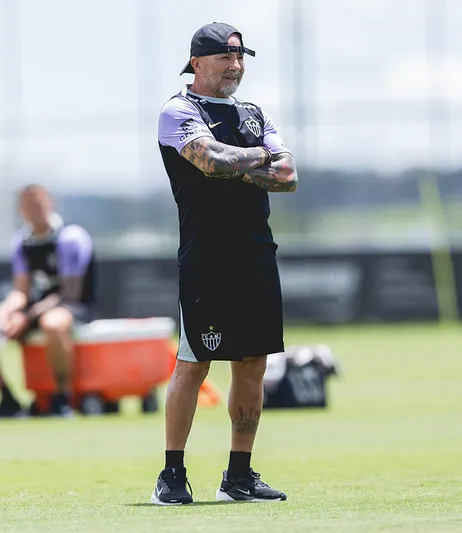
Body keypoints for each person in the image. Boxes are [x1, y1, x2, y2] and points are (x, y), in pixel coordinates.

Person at [151, 22, 298, 505]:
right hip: (206, 259)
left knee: (252, 363)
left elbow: (288, 175)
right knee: (195, 363)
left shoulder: (253, 113)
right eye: (225, 57)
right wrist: (257, 158)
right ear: (197, 62)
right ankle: (172, 475)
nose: (235, 66)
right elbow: (208, 160)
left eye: (240, 58)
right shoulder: (179, 111)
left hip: (256, 253)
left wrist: (246, 163)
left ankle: (238, 476)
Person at [0, 184, 96, 419]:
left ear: (50, 203)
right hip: (34, 310)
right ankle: (7, 398)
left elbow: (68, 293)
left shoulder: (70, 238)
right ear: (21, 210)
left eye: (39, 203)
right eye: (28, 205)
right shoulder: (23, 243)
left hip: (71, 308)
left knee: (52, 324)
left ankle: (62, 400)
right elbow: (20, 291)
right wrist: (5, 313)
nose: (35, 209)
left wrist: (26, 316)